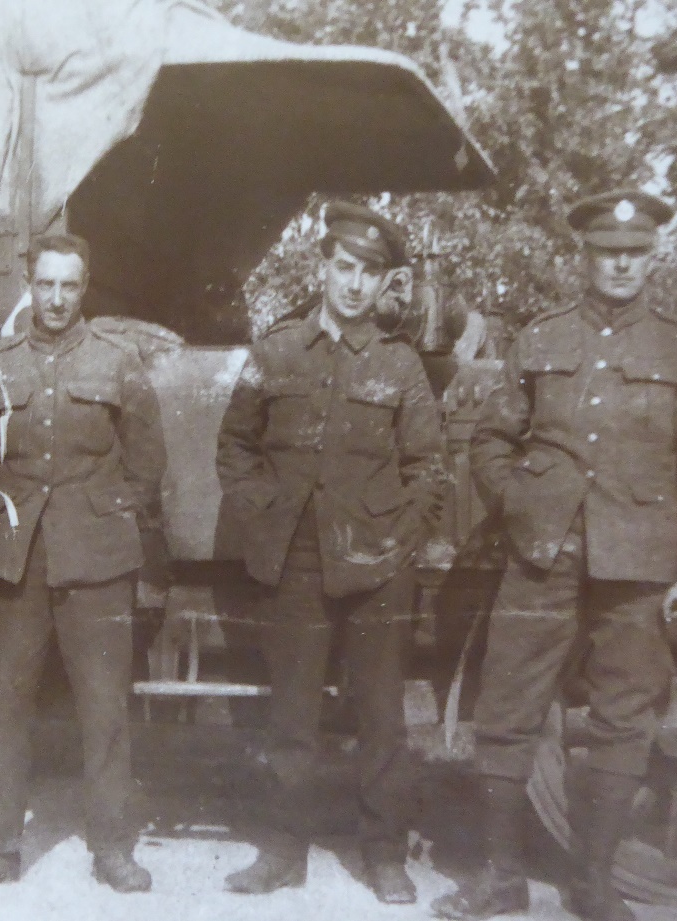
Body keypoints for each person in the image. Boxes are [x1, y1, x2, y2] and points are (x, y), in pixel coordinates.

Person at [431, 190, 677, 921]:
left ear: (650, 258)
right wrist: (518, 500)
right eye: (607, 253)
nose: (621, 266)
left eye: (635, 253)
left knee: (626, 718)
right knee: (507, 709)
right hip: (543, 556)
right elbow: (491, 438)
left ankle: (594, 883)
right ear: (585, 256)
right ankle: (500, 878)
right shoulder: (541, 338)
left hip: (640, 566)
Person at [214, 202, 449, 904]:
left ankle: (384, 854)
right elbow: (235, 446)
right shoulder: (276, 351)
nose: (354, 284)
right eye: (344, 267)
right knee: (291, 718)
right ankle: (283, 850)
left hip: (378, 567)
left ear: (384, 283)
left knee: (380, 718)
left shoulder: (399, 362)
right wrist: (264, 517)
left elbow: (428, 465)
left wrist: (399, 539)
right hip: (297, 563)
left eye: (369, 274)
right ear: (323, 267)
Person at [0, 233, 166, 894]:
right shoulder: (0, 364)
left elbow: (146, 463)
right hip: (20, 559)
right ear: (30, 284)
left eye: (69, 285)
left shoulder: (118, 363)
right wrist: (22, 511)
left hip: (96, 559)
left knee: (103, 708)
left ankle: (113, 847)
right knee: (7, 704)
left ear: (84, 287)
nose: (57, 298)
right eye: (45, 284)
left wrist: (100, 513)